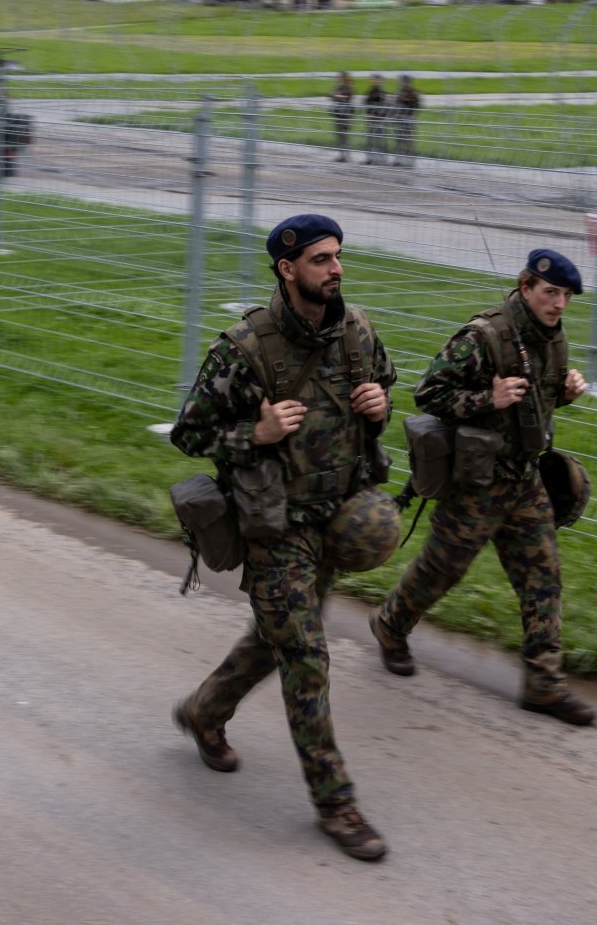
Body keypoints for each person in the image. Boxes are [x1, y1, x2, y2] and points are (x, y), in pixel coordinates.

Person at [171, 213, 397, 861]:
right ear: (287, 268)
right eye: (322, 260)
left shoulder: (356, 331)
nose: (336, 269)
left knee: (274, 643)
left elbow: (383, 386)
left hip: (337, 514)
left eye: (338, 257)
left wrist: (379, 405)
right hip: (275, 529)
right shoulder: (245, 348)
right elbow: (189, 434)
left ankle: (205, 711)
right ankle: (336, 803)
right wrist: (256, 435)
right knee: (305, 656)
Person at [369, 248, 596, 725]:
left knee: (543, 578)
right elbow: (429, 392)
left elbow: (537, 404)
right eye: (551, 292)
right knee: (440, 571)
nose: (559, 304)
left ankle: (544, 684)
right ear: (526, 286)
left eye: (567, 296)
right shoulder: (484, 337)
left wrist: (565, 393)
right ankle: (389, 625)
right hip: (476, 483)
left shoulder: (553, 340)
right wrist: (485, 398)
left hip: (524, 480)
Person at [392, 75, 421, 168]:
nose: (401, 83)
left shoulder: (412, 92)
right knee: (399, 140)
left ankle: (410, 161)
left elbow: (417, 104)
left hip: (407, 119)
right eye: (400, 81)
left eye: (402, 81)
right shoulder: (399, 92)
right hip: (399, 118)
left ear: (407, 82)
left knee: (408, 141)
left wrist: (411, 114)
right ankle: (399, 160)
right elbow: (396, 104)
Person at [362, 74, 388, 165]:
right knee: (370, 139)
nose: (374, 81)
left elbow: (384, 105)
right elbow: (366, 102)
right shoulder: (371, 91)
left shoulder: (381, 92)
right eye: (373, 80)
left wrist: (375, 114)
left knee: (380, 139)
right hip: (371, 119)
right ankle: (370, 158)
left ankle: (382, 159)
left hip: (379, 119)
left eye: (376, 80)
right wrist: (367, 113)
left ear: (381, 81)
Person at [329, 71, 355, 162]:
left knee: (345, 135)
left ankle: (347, 155)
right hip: (338, 113)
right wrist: (338, 96)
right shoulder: (339, 87)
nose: (340, 79)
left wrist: (337, 95)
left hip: (346, 115)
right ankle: (342, 155)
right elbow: (331, 95)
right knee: (339, 135)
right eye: (339, 78)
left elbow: (347, 97)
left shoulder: (349, 87)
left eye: (342, 77)